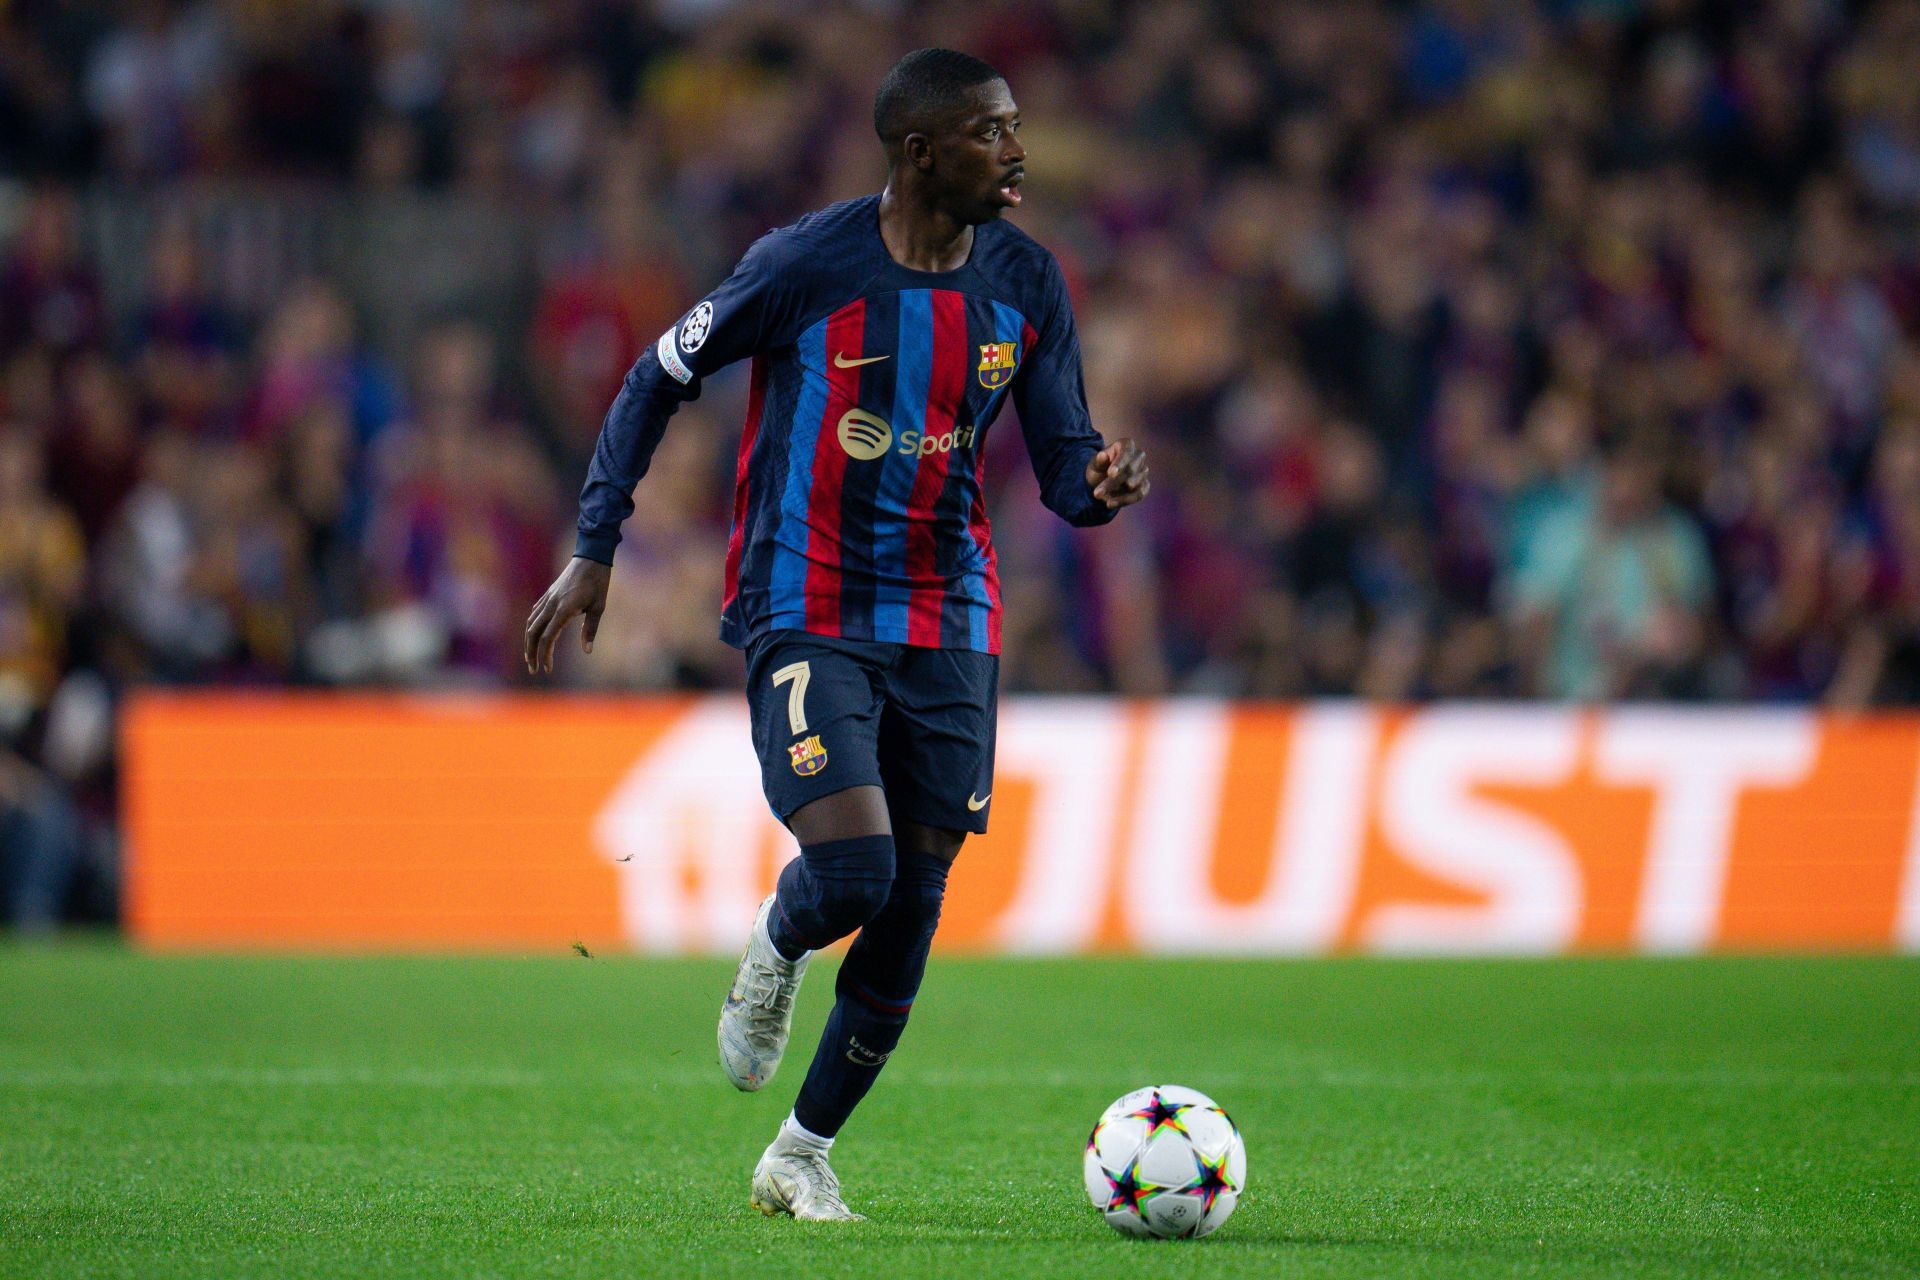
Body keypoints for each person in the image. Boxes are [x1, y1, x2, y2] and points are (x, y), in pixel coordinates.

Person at [522, 48, 1150, 1221]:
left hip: (949, 609)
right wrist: (596, 542)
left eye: (1017, 128)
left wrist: (1099, 483)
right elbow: (657, 375)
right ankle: (778, 939)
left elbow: (1062, 463)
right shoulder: (805, 264)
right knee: (854, 871)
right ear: (920, 153)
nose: (1017, 151)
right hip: (804, 596)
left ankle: (800, 1151)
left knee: (915, 896)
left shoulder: (1028, 281)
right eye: (991, 131)